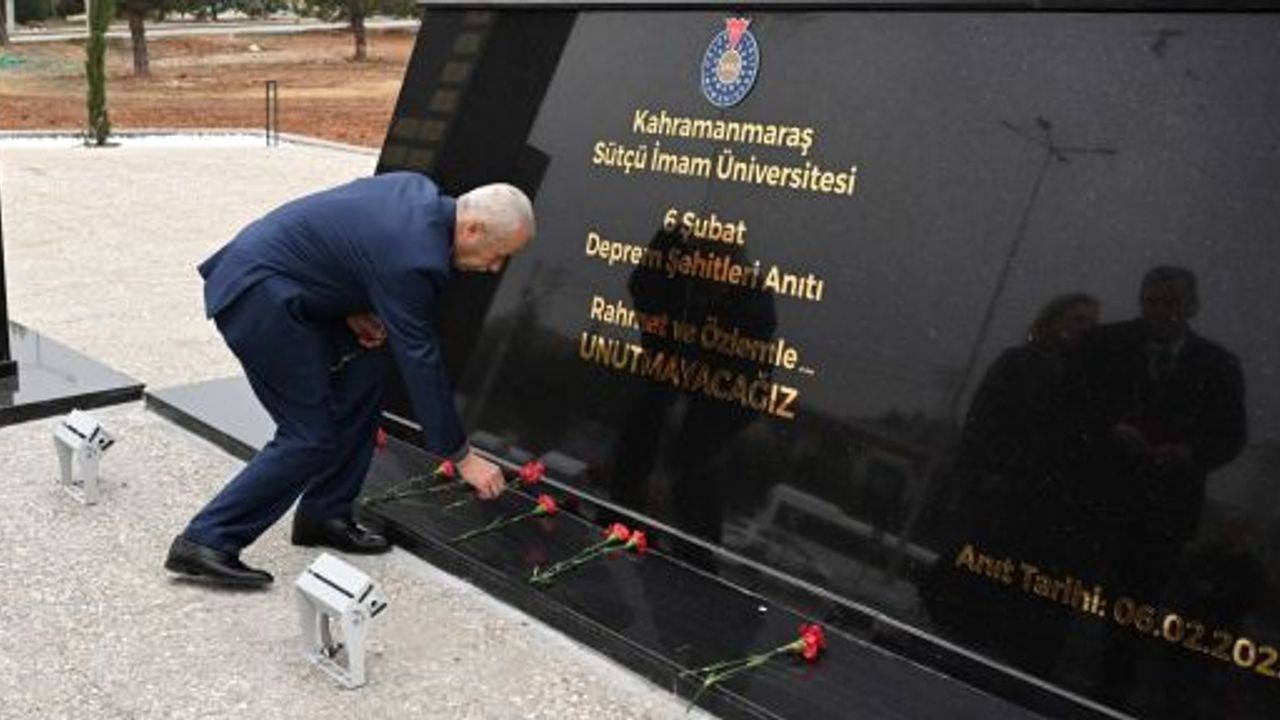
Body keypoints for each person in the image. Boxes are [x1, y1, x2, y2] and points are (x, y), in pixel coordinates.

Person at [164, 172, 535, 588]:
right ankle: (205, 541)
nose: (494, 267)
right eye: (498, 254)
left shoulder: (418, 194)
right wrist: (462, 456)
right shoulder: (415, 256)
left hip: (289, 287)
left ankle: (325, 515)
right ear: (473, 228)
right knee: (308, 435)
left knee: (365, 377)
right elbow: (420, 358)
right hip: (257, 298)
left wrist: (349, 304)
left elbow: (346, 246)